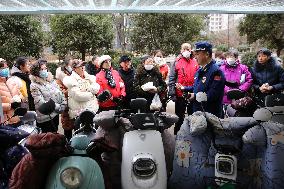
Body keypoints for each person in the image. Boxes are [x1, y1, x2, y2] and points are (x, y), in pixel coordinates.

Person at [187, 41, 225, 118]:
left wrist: (195, 96)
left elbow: (212, 95)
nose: (195, 57)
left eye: (197, 54)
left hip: (210, 116)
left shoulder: (216, 71)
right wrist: (185, 89)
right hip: (198, 113)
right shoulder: (200, 70)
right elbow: (196, 87)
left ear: (207, 54)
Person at [168, 43, 199, 134]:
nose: (186, 51)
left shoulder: (195, 61)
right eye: (184, 49)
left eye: (188, 49)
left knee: (192, 116)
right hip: (180, 95)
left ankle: (191, 135)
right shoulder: (177, 62)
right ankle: (177, 135)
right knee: (179, 118)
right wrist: (172, 93)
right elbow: (172, 78)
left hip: (192, 94)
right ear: (181, 50)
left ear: (191, 50)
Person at [30, 59, 66, 133]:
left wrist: (63, 104)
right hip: (45, 117)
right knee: (47, 140)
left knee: (55, 134)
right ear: (36, 71)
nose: (44, 70)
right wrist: (58, 107)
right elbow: (41, 102)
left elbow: (60, 93)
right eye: (41, 69)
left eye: (45, 68)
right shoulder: (34, 85)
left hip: (55, 115)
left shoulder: (51, 81)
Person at [63, 59, 100, 130]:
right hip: (79, 113)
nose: (83, 67)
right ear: (74, 69)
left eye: (83, 65)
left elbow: (97, 87)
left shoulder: (89, 77)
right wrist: (91, 93)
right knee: (81, 134)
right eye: (80, 66)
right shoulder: (71, 80)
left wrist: (85, 90)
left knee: (93, 134)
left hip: (93, 110)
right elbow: (78, 96)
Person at [55, 57, 74, 140]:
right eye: (71, 64)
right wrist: (70, 91)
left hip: (75, 101)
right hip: (66, 102)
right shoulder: (60, 75)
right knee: (67, 124)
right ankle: (68, 141)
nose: (72, 66)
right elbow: (60, 89)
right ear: (66, 65)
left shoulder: (73, 72)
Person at [0, 59, 23, 126]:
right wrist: (11, 105)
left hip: (16, 119)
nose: (5, 69)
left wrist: (20, 99)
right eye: (2, 68)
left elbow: (21, 95)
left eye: (6, 67)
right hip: (6, 123)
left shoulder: (11, 81)